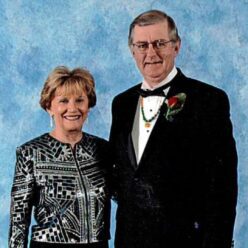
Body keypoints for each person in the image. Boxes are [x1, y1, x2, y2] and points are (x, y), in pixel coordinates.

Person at [110, 9, 238, 248]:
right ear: (132, 50)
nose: (151, 53)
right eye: (142, 45)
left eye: (160, 43)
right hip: (130, 240)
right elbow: (122, 177)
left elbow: (223, 187)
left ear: (176, 46)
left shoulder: (209, 100)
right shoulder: (122, 104)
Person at [9, 66, 111, 248]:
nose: (72, 108)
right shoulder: (31, 153)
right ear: (49, 107)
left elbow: (129, 197)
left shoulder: (103, 150)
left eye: (80, 100)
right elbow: (19, 220)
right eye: (63, 101)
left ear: (88, 106)